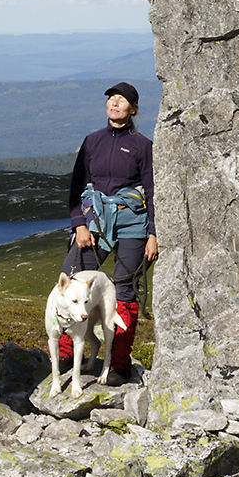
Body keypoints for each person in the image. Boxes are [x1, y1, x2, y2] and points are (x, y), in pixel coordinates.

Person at [60, 81, 157, 385]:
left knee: (125, 288)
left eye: (121, 100)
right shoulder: (92, 141)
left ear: (133, 109)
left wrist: (153, 233)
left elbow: (152, 191)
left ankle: (118, 364)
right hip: (95, 220)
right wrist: (79, 224)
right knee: (73, 276)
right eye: (111, 99)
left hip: (132, 222)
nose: (114, 104)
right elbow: (77, 186)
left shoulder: (143, 146)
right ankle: (65, 352)